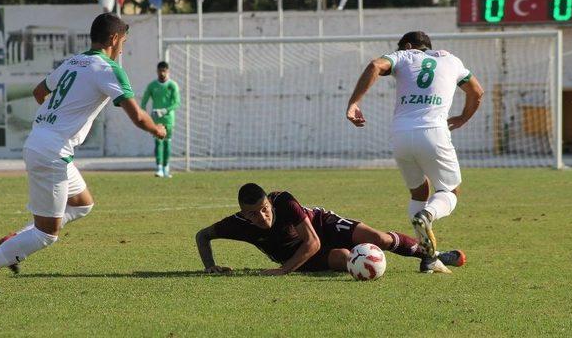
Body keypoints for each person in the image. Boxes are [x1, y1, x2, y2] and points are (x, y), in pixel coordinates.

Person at [0, 13, 166, 292]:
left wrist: (57, 117)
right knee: (46, 235)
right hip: (52, 152)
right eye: (123, 41)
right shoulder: (108, 68)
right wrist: (158, 130)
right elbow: (138, 117)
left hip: (42, 143)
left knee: (82, 204)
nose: (123, 48)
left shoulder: (72, 62)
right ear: (114, 39)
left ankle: (15, 240)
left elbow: (38, 92)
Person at [345, 31, 484, 257]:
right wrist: (462, 118)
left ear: (408, 46)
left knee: (419, 192)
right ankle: (428, 215)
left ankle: (428, 257)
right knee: (450, 190)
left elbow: (375, 66)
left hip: (400, 136)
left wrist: (354, 103)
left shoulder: (403, 56)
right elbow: (477, 92)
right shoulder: (452, 60)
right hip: (434, 133)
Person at [196, 183, 465, 276]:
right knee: (345, 259)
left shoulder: (284, 201)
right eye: (254, 214)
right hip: (297, 254)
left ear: (269, 201)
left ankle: (432, 256)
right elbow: (203, 235)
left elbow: (312, 241)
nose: (263, 216)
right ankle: (434, 257)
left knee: (378, 238)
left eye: (265, 208)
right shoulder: (237, 224)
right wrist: (210, 265)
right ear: (244, 213)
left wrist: (282, 271)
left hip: (321, 226)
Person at [141, 61, 181, 178]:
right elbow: (144, 101)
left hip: (168, 119)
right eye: (160, 71)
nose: (162, 73)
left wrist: (165, 110)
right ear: (157, 71)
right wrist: (145, 115)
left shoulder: (172, 85)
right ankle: (159, 169)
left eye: (164, 71)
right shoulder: (152, 85)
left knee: (167, 143)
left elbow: (177, 103)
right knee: (158, 142)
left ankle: (166, 168)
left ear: (168, 71)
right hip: (156, 119)